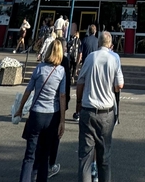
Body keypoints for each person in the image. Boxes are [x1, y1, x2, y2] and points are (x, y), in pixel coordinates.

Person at [15, 39, 66, 182]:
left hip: (36, 113)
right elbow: (62, 96)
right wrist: (62, 120)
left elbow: (28, 90)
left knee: (29, 155)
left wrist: (20, 108)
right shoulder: (61, 71)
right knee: (45, 154)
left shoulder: (39, 68)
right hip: (52, 114)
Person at [75, 31, 124, 182]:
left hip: (88, 109)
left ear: (99, 43)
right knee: (104, 158)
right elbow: (119, 85)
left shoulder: (90, 57)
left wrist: (78, 102)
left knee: (85, 158)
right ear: (110, 44)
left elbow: (80, 82)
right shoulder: (114, 58)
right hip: (106, 113)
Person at [72, 25, 98, 119]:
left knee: (81, 88)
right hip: (95, 68)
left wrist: (77, 67)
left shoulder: (84, 40)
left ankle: (78, 112)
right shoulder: (97, 41)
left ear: (88, 31)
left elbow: (80, 54)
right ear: (95, 31)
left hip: (85, 66)